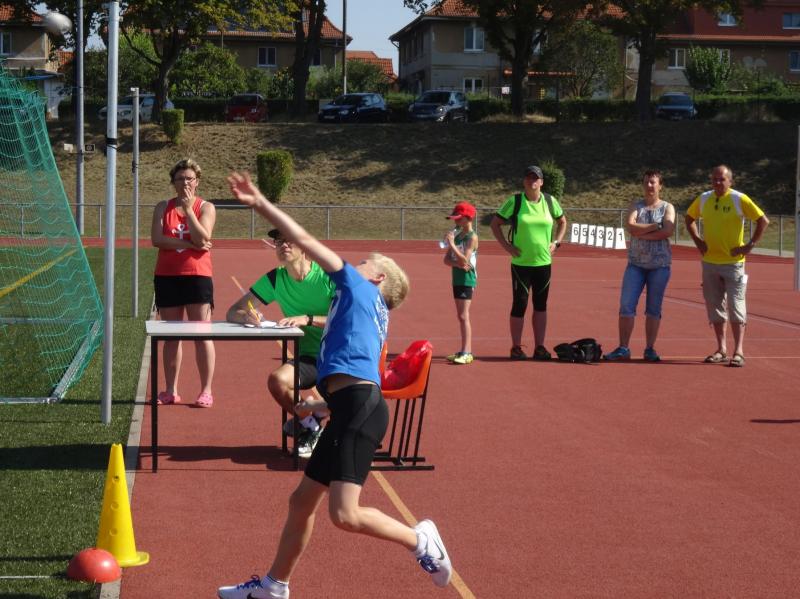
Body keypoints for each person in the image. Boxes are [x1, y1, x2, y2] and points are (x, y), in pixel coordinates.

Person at [218, 171, 452, 599]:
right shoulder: (363, 307)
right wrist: (317, 408)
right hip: (351, 405)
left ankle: (421, 540)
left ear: (376, 279)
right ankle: (274, 586)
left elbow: (305, 241)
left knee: (344, 514)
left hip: (360, 408)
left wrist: (261, 204)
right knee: (301, 502)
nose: (355, 264)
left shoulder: (358, 290)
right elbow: (354, 370)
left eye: (365, 263)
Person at [226, 228, 335, 457]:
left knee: (344, 400)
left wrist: (309, 319)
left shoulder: (327, 277)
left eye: (289, 241)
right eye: (278, 242)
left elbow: (349, 318)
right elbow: (233, 311)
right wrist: (247, 316)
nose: (283, 245)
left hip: (338, 357)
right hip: (309, 357)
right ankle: (311, 424)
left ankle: (316, 418)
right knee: (277, 380)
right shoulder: (275, 279)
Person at [685, 164, 769, 368]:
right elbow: (689, 218)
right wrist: (698, 241)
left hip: (733, 264)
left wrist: (750, 245)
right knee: (715, 307)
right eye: (714, 179)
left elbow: (763, 220)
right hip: (710, 262)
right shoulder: (704, 198)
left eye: (722, 179)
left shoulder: (739, 199)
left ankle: (738, 351)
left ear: (730, 181)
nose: (717, 182)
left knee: (736, 306)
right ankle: (721, 349)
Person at [151, 158, 217, 407]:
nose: (185, 182)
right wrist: (189, 244)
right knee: (172, 335)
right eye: (180, 178)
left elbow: (204, 238)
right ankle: (170, 390)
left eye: (190, 178)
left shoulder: (205, 207)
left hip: (197, 276)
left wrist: (189, 211)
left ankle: (206, 390)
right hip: (167, 276)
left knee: (201, 334)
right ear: (173, 182)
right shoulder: (163, 207)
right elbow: (158, 239)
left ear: (197, 181)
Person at [490, 165, 567, 361]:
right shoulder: (515, 202)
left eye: (536, 178)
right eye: (529, 177)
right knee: (520, 304)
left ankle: (540, 347)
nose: (532, 181)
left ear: (541, 182)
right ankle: (516, 347)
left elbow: (562, 222)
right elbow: (495, 223)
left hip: (543, 263)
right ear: (524, 181)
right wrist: (507, 246)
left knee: (541, 305)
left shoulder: (550, 201)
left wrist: (556, 242)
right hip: (521, 264)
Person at [604, 170, 675, 362]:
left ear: (660, 186)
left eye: (653, 182)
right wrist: (654, 226)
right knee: (626, 305)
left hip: (659, 266)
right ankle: (623, 348)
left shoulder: (667, 207)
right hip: (635, 265)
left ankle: (649, 349)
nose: (649, 186)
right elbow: (630, 226)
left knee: (654, 308)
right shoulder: (636, 205)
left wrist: (641, 232)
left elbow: (667, 231)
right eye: (646, 182)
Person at [442, 201, 478, 365]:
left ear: (468, 218)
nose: (455, 221)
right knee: (460, 316)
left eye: (458, 218)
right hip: (456, 278)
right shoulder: (457, 237)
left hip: (467, 279)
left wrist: (452, 245)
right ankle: (463, 350)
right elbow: (446, 260)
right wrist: (457, 264)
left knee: (464, 316)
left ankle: (467, 352)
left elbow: (466, 259)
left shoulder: (472, 237)